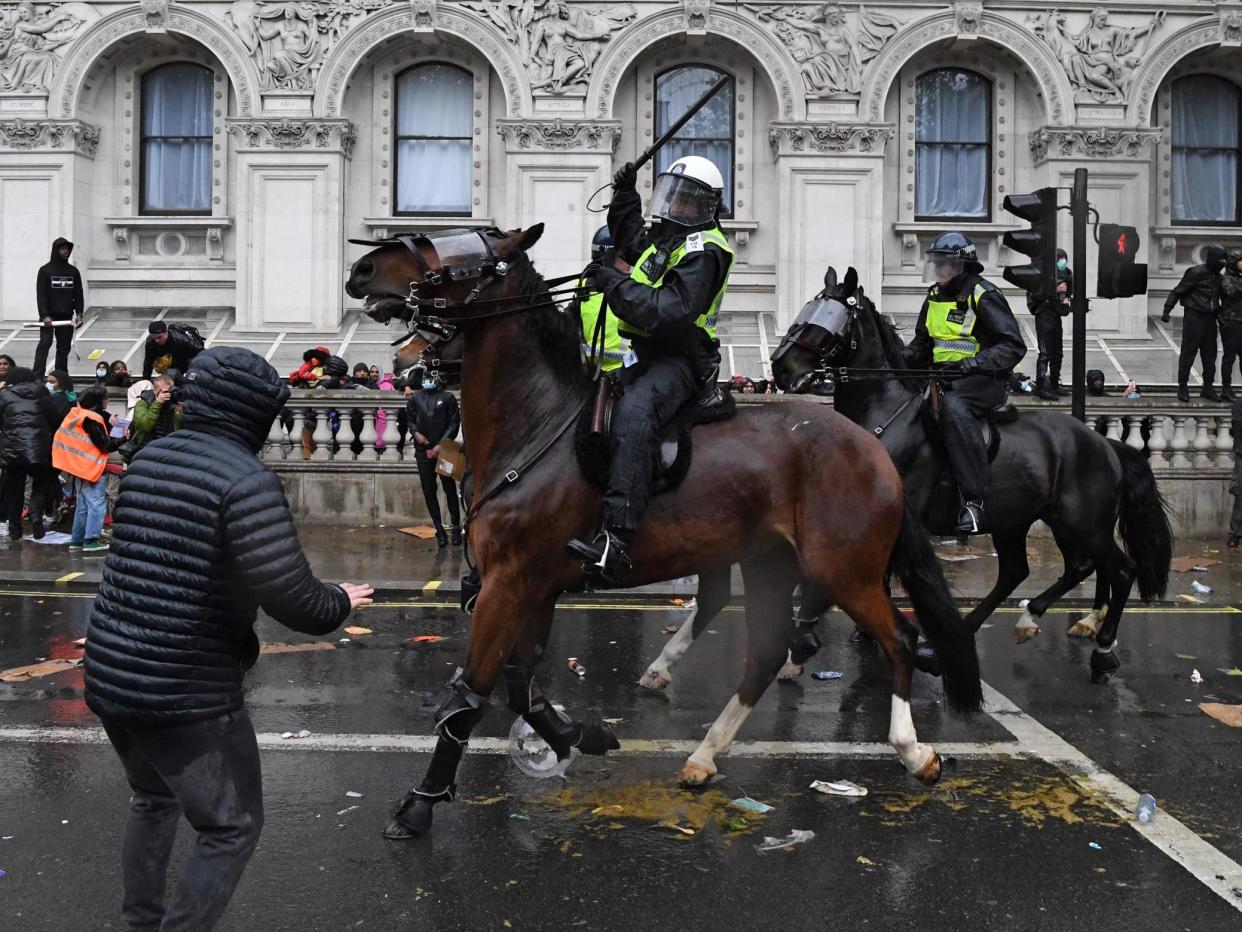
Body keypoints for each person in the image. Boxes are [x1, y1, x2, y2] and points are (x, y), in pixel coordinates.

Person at [84, 347, 373, 932]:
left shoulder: (151, 456)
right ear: (256, 414)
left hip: (111, 674)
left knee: (153, 800)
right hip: (186, 691)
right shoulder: (245, 480)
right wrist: (341, 599)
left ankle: (139, 924)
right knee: (231, 826)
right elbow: (297, 602)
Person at [566, 155, 735, 581]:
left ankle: (617, 541)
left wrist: (614, 284)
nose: (676, 207)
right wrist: (626, 191)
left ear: (708, 206)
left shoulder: (705, 250)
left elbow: (669, 310)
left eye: (686, 200)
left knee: (635, 414)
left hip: (680, 357)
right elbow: (629, 238)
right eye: (672, 196)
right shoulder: (668, 242)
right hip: (645, 354)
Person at [903, 232, 1026, 533]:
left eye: (944, 263)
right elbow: (922, 344)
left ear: (962, 265)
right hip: (941, 378)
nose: (938, 269)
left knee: (954, 409)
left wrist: (974, 363)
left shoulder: (983, 294)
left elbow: (1012, 345)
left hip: (980, 381)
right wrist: (900, 357)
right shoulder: (933, 295)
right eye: (935, 263)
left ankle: (973, 503)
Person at [53, 386, 118, 553]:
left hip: (78, 467)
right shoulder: (93, 418)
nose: (107, 401)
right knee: (97, 505)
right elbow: (105, 445)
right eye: (105, 398)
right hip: (91, 468)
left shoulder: (76, 414)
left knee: (82, 506)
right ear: (98, 401)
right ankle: (91, 540)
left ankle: (77, 540)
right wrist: (125, 436)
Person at [0, 367, 59, 540]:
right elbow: (55, 419)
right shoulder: (42, 395)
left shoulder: (4, 396)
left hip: (12, 450)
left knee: (14, 490)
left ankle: (14, 531)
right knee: (44, 479)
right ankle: (35, 513)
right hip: (38, 448)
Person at [405, 370, 461, 547]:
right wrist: (416, 434)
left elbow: (454, 422)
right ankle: (439, 529)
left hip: (444, 451)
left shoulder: (447, 397)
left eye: (431, 377)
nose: (428, 380)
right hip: (423, 451)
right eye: (425, 378)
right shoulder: (415, 398)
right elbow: (410, 420)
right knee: (429, 489)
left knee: (449, 488)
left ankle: (456, 527)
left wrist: (442, 443)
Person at [1163, 245, 1225, 403]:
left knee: (1210, 355)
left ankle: (1208, 388)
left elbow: (1220, 299)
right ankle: (1183, 386)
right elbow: (1178, 291)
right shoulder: (1195, 272)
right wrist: (1167, 309)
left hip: (1210, 319)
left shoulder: (1218, 277)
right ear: (1212, 259)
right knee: (1188, 353)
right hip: (1194, 317)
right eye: (1220, 260)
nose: (1222, 263)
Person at [575, 225, 633, 373]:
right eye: (625, 256)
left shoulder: (582, 289)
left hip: (600, 373)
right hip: (621, 375)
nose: (631, 262)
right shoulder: (582, 292)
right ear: (608, 257)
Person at [34, 237, 83, 377]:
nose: (65, 251)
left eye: (67, 249)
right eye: (62, 249)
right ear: (56, 250)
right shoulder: (45, 271)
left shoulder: (73, 272)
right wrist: (44, 315)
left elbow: (78, 294)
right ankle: (37, 376)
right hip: (48, 316)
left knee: (63, 348)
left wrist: (79, 313)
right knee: (45, 343)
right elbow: (41, 295)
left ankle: (60, 377)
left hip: (66, 316)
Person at [1027, 247, 1072, 400]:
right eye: (1059, 259)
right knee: (1045, 352)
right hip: (1044, 315)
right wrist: (1055, 289)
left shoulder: (1066, 274)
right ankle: (1041, 386)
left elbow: (1068, 295)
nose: (1063, 262)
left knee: (1057, 352)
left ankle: (1054, 384)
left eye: (1064, 258)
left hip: (1056, 314)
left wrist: (1066, 300)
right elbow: (1035, 296)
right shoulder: (1041, 276)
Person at [127, 375, 182, 460]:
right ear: (155, 391)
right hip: (147, 450)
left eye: (170, 390)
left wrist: (181, 412)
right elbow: (143, 426)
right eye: (165, 391)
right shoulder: (143, 403)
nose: (168, 394)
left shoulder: (173, 406)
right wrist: (158, 403)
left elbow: (181, 429)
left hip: (169, 451)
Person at [1219, 252, 1242, 402]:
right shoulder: (1226, 278)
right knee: (1229, 357)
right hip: (1231, 322)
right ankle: (1226, 388)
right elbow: (1231, 292)